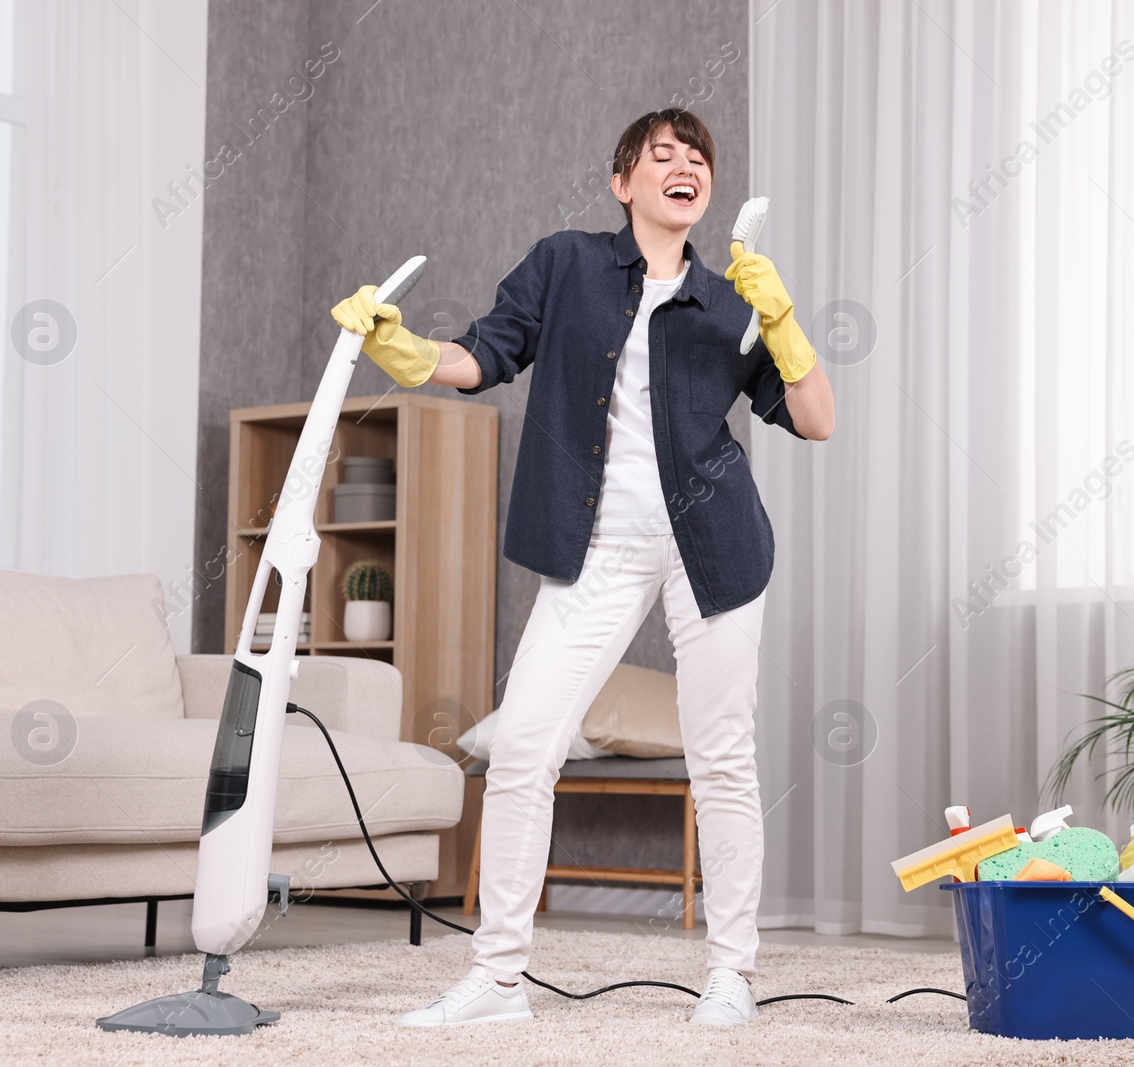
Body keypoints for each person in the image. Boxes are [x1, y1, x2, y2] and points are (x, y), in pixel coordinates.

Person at [330, 107, 834, 1028]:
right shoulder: (564, 263)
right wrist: (402, 350)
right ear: (623, 182)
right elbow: (483, 355)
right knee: (523, 746)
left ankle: (732, 973)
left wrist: (786, 323)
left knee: (721, 757)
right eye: (662, 155)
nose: (685, 167)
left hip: (712, 545)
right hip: (593, 543)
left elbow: (816, 418)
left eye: (698, 159)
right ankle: (499, 980)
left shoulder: (732, 303)